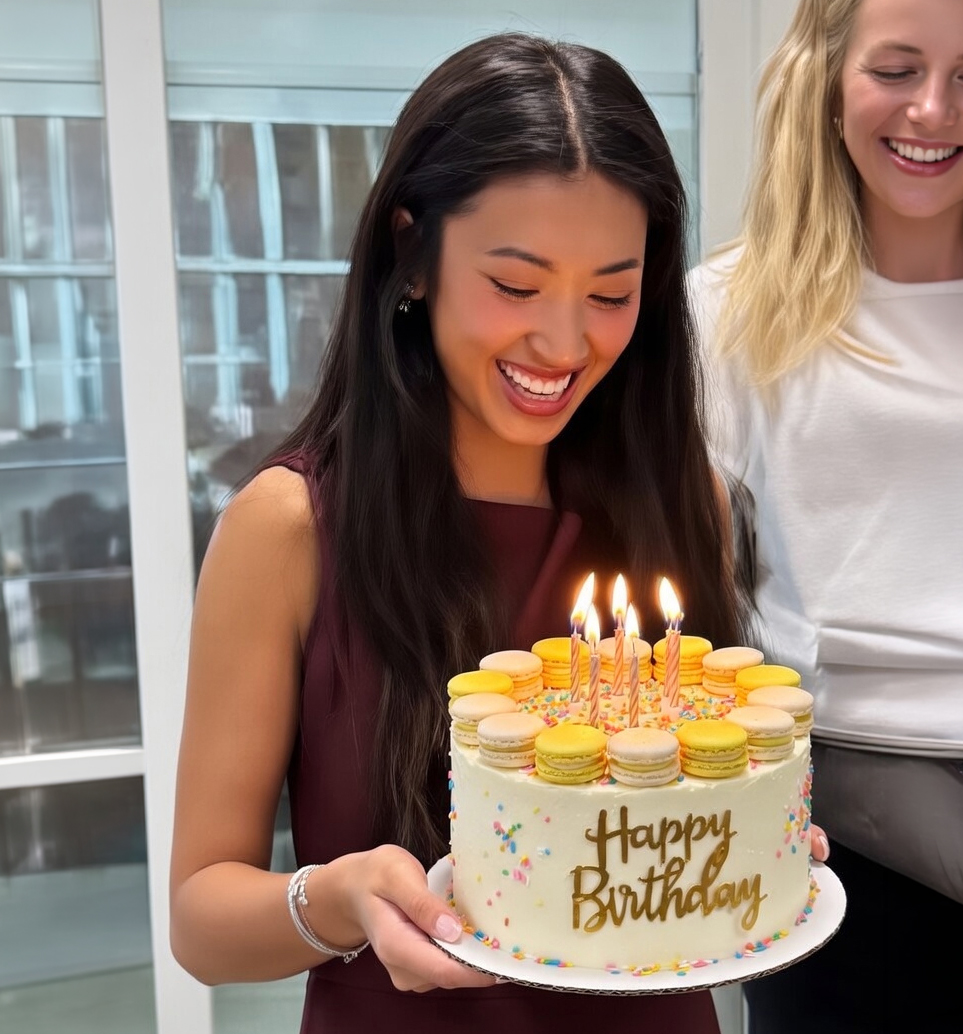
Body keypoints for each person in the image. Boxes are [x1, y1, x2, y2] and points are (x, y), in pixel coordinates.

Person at [170, 32, 788, 1033]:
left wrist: (754, 846)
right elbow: (202, 919)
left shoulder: (684, 503)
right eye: (515, 284)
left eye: (610, 294)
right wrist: (338, 898)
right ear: (412, 252)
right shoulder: (290, 529)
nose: (563, 341)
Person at [694, 1, 963, 1031]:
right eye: (895, 70)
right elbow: (695, 611)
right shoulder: (724, 312)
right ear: (826, 79)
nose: (932, 110)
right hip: (841, 846)